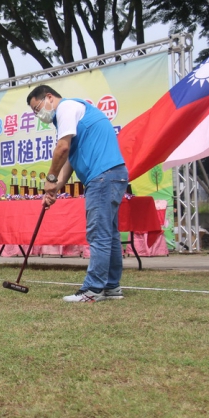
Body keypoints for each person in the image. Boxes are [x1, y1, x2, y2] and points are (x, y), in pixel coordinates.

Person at [27, 84, 129, 302]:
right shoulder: (73, 114)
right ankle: (111, 286)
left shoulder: (66, 108)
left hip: (102, 176)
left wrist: (50, 179)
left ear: (49, 97)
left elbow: (62, 148)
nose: (38, 115)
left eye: (37, 108)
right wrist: (55, 188)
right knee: (109, 234)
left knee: (99, 234)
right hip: (112, 174)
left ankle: (93, 289)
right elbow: (70, 160)